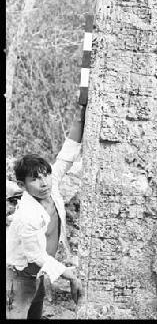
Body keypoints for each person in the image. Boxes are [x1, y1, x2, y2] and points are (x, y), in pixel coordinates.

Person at [6, 105, 86, 319]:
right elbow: (35, 255)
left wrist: (82, 115)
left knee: (36, 314)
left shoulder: (53, 186)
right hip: (18, 277)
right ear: (22, 185)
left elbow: (66, 157)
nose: (43, 183)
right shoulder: (27, 215)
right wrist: (67, 273)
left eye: (45, 175)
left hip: (38, 274)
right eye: (35, 179)